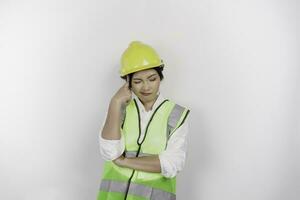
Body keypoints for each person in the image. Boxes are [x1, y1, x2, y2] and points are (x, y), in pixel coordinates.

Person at [97, 41, 190, 200]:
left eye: (152, 79)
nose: (146, 87)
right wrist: (115, 102)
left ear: (160, 78)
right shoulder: (118, 109)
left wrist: (124, 161)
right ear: (128, 83)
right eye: (138, 81)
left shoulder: (176, 115)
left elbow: (172, 163)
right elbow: (109, 152)